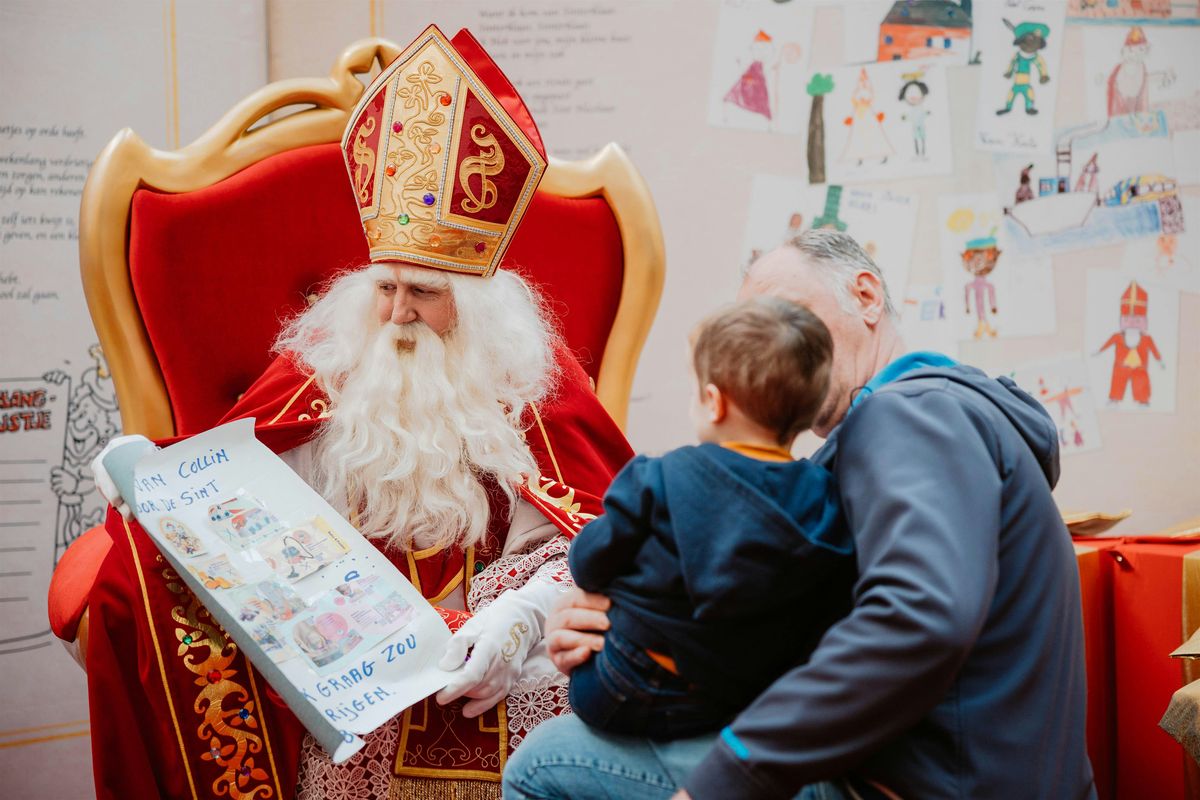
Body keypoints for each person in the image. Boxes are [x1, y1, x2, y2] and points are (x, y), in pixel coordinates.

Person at [65, 25, 633, 800]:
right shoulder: (337, 356)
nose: (397, 315)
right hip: (339, 660)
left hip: (497, 656)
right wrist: (155, 478)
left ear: (477, 307)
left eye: (425, 293)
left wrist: (522, 618)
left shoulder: (531, 377)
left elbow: (609, 538)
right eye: (385, 287)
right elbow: (239, 480)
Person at [505, 229, 1095, 800]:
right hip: (969, 772)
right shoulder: (909, 430)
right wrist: (627, 627)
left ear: (866, 296)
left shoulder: (908, 419)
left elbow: (920, 616)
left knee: (548, 760)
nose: (773, 346)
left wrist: (733, 775)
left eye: (787, 316)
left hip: (921, 784)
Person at [567, 298, 854, 740]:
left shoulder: (659, 476)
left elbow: (590, 561)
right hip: (739, 699)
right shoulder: (826, 497)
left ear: (714, 403)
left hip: (626, 684)